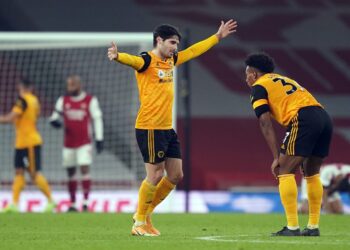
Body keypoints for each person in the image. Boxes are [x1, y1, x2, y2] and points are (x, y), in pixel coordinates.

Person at [108, 20, 238, 236]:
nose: (175, 47)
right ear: (159, 40)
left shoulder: (171, 61)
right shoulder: (147, 60)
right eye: (171, 43)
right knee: (155, 175)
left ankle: (144, 213)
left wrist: (217, 37)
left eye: (177, 44)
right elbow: (133, 61)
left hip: (167, 128)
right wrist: (118, 56)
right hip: (149, 127)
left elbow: (194, 51)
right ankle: (139, 221)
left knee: (176, 175)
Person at [245, 52, 333, 236]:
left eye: (246, 74)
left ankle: (292, 227)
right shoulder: (284, 79)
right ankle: (313, 226)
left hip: (303, 118)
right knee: (312, 172)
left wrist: (276, 157)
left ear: (253, 74)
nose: (246, 79)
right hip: (323, 116)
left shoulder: (259, 87)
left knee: (284, 171)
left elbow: (265, 122)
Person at [49, 75, 104, 212]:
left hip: (84, 142)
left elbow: (97, 119)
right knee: (70, 172)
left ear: (79, 85)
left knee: (84, 168)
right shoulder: (63, 100)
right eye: (68, 85)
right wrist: (55, 122)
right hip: (68, 143)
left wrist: (99, 138)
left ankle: (85, 202)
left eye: (72, 85)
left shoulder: (90, 100)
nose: (69, 88)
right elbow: (54, 117)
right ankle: (73, 203)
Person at [0, 79, 55, 213]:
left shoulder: (22, 100)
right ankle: (14, 204)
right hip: (21, 142)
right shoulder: (35, 100)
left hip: (29, 142)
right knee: (19, 171)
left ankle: (51, 201)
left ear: (22, 87)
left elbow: (11, 118)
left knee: (34, 174)